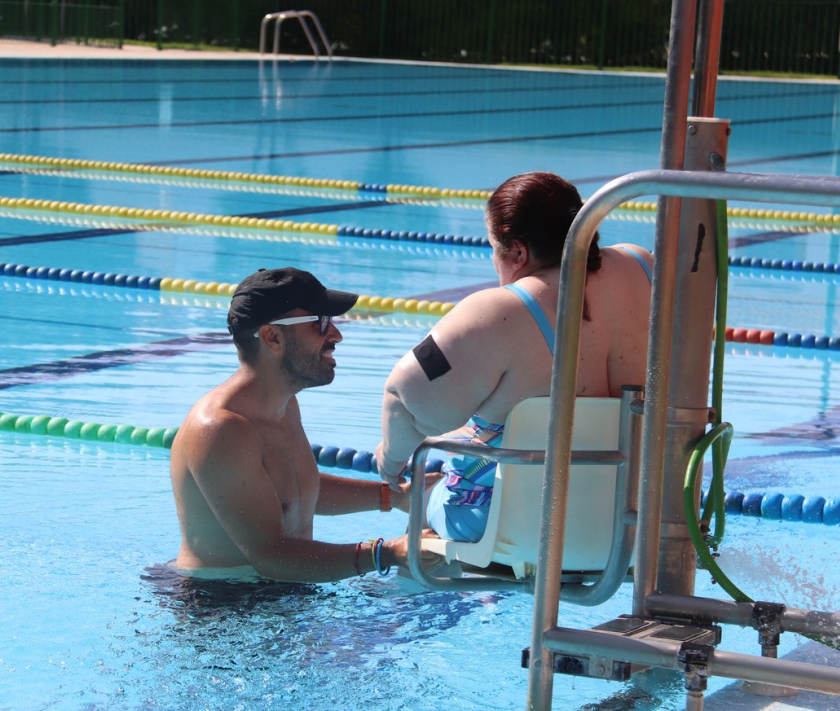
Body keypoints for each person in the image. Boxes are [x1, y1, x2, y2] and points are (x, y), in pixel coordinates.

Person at [375, 171, 653, 543]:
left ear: (518, 252)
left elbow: (404, 398)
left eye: (493, 247)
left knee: (425, 503)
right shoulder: (642, 265)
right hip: (640, 520)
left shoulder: (501, 312)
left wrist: (390, 461)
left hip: (527, 529)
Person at [170, 266, 444, 582]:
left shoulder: (284, 405)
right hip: (222, 610)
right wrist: (387, 553)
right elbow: (271, 556)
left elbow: (295, 493)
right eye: (321, 322)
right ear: (273, 337)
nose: (336, 335)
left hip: (280, 593)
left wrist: (397, 496)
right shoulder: (220, 431)